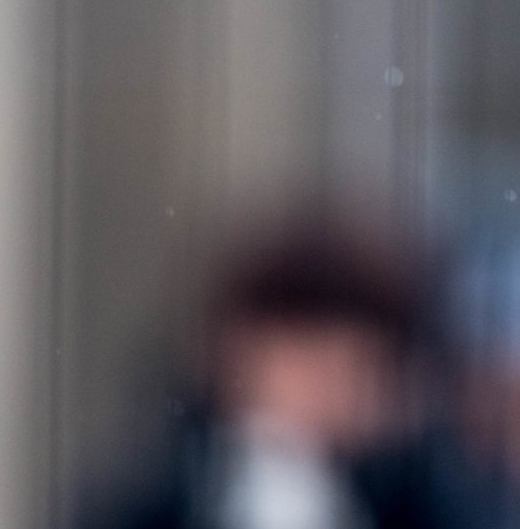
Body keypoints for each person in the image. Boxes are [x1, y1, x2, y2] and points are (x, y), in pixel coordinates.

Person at [77, 212, 450, 529]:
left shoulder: (424, 500)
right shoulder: (159, 498)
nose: (323, 394)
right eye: (304, 365)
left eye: (352, 371)